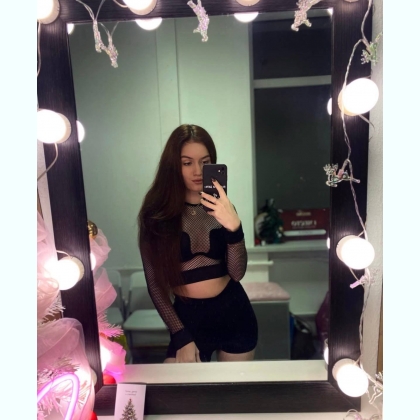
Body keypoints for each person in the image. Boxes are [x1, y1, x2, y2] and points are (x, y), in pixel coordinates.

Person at [137, 124, 258, 363]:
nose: (198, 171)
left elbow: (237, 273)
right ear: (173, 165)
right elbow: (155, 285)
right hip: (188, 320)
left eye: (205, 162)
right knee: (183, 386)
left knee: (232, 389)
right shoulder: (156, 215)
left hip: (234, 312)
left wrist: (235, 228)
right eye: (187, 163)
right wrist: (180, 335)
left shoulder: (223, 208)